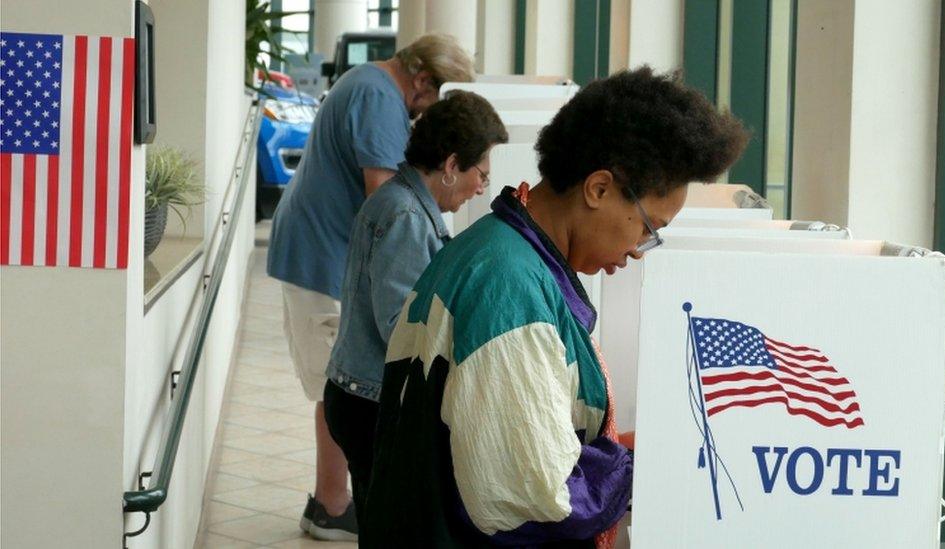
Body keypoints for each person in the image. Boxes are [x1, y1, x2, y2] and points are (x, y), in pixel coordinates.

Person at [362, 67, 749, 548]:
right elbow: (542, 496)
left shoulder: (502, 250)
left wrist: (620, 451)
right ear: (599, 189)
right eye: (649, 228)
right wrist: (639, 467)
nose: (638, 249)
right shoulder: (510, 287)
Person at [265, 34, 475, 541]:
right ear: (423, 80)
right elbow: (388, 202)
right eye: (438, 97)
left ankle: (331, 501)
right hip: (321, 256)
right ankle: (331, 507)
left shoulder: (367, 82)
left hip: (318, 247)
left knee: (335, 382)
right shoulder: (381, 99)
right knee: (339, 383)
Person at [322, 90, 509, 530]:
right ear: (450, 165)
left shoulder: (403, 202)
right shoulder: (405, 215)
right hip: (369, 401)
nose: (483, 186)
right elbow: (401, 327)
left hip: (361, 395)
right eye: (481, 173)